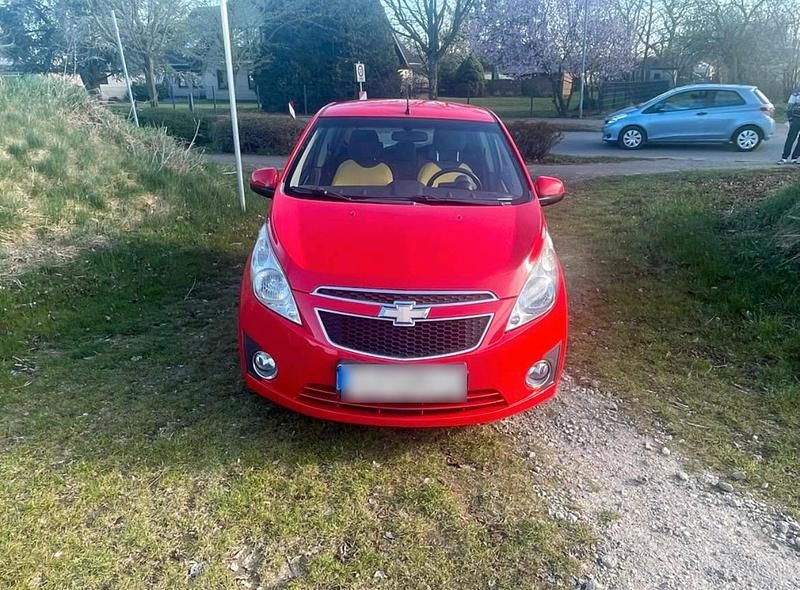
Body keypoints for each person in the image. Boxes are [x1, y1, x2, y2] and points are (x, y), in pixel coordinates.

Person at [778, 87, 800, 164]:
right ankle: (784, 157)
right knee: (791, 138)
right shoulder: (796, 93)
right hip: (796, 118)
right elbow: (789, 106)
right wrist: (790, 119)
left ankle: (795, 158)